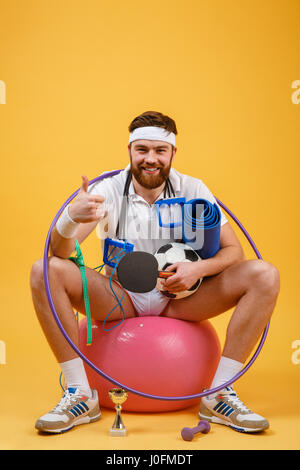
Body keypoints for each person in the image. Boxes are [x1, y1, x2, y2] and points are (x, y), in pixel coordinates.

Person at [30, 110, 280, 434]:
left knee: (265, 274)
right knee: (43, 270)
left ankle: (219, 394)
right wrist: (70, 218)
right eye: (142, 150)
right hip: (120, 299)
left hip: (182, 300)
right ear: (130, 150)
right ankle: (80, 394)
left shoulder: (193, 189)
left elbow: (234, 252)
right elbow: (59, 253)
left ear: (173, 152)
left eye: (160, 150)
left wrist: (198, 269)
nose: (151, 159)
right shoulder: (107, 190)